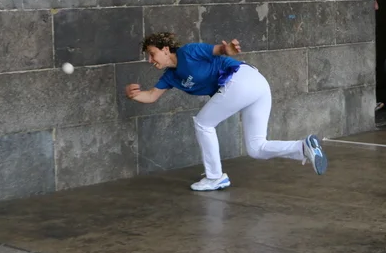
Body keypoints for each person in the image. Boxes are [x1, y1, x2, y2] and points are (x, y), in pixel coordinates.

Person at [126, 33, 327, 191]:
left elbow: (218, 49)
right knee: (256, 148)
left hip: (243, 78)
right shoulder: (170, 76)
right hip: (254, 85)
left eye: (152, 54)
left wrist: (226, 49)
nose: (150, 60)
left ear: (165, 49)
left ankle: (215, 177)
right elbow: (151, 96)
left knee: (203, 123)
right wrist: (133, 94)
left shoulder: (189, 51)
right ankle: (303, 147)